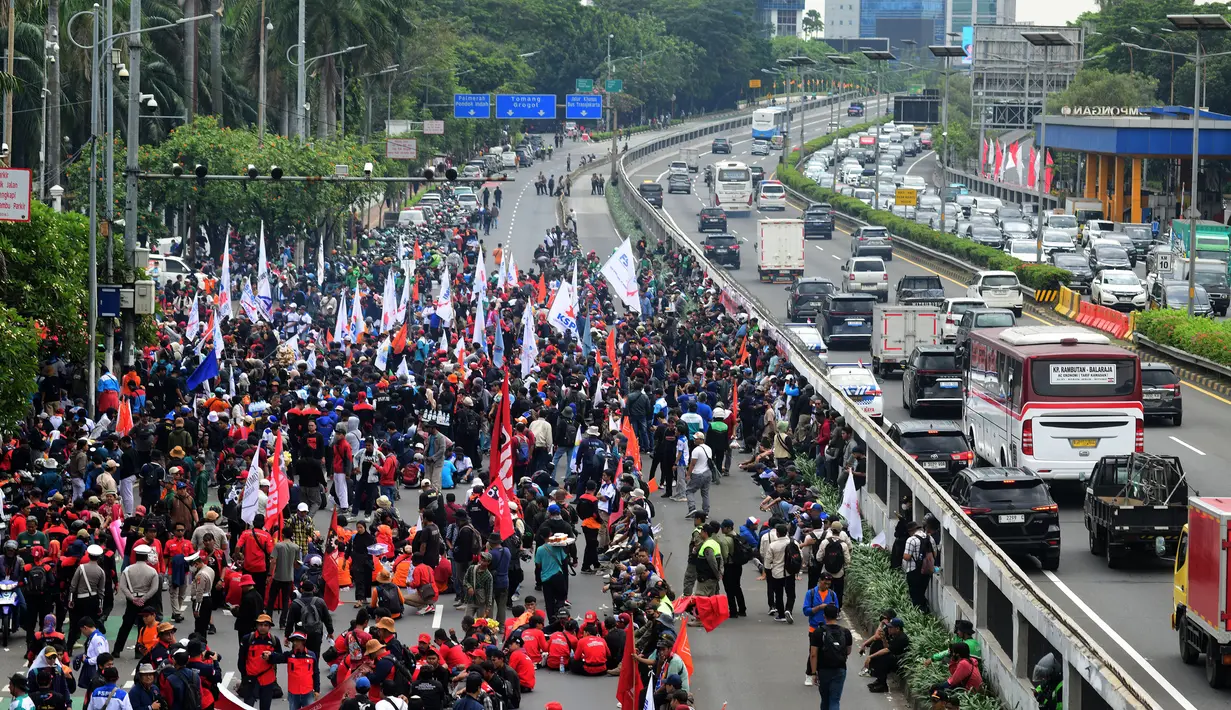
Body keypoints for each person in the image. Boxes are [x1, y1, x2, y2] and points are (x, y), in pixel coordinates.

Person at [808, 605, 851, 710]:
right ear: (837, 615)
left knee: (825, 699)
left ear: (824, 616)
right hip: (840, 668)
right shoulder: (846, 632)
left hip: (823, 670)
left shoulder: (818, 632)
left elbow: (813, 654)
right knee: (835, 700)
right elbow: (848, 651)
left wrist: (813, 673)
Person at [238, 614, 283, 710]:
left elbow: (280, 658)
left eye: (266, 625)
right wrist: (245, 677)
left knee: (265, 707)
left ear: (269, 627)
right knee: (248, 707)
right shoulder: (247, 639)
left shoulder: (274, 640)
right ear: (257, 625)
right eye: (260, 625)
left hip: (268, 680)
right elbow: (241, 660)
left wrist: (270, 657)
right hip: (251, 679)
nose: (263, 627)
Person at [266, 632, 320, 710]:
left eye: (298, 641)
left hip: (308, 692)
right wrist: (269, 655)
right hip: (293, 694)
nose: (295, 643)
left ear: (303, 642)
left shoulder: (312, 655)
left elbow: (316, 673)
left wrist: (317, 690)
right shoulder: (289, 655)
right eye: (294, 641)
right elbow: (278, 657)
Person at [862, 617, 909, 693]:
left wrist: (870, 656)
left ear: (897, 629)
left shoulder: (901, 638)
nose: (888, 629)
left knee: (882, 657)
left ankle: (883, 685)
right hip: (894, 658)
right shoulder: (894, 635)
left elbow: (887, 650)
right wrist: (884, 638)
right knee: (877, 646)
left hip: (900, 664)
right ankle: (880, 680)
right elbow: (887, 647)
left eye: (891, 627)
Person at [535, 534, 571, 620]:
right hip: (558, 575)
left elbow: (538, 564)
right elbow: (564, 558)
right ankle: (559, 613)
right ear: (551, 535)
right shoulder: (557, 547)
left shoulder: (539, 549)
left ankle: (551, 619)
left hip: (546, 578)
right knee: (561, 597)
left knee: (549, 601)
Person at [902, 521, 934, 613]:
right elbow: (934, 553)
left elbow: (907, 557)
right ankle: (924, 610)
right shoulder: (930, 538)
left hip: (914, 571)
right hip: (927, 570)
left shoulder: (911, 540)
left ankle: (919, 612)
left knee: (915, 594)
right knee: (921, 591)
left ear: (911, 531)